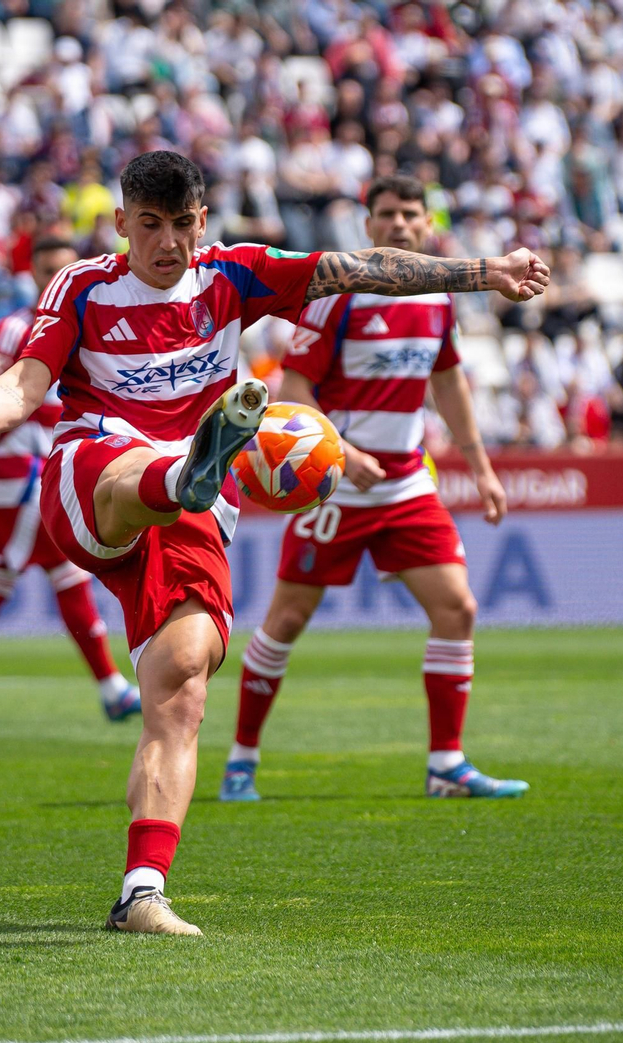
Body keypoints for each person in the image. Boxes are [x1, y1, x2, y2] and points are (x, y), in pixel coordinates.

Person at [0, 151, 548, 936]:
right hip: (95, 472)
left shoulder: (235, 275)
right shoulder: (82, 286)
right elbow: (27, 384)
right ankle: (187, 473)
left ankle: (142, 893)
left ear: (201, 221)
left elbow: (365, 267)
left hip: (198, 516)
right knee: (136, 473)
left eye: (181, 225)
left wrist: (487, 271)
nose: (167, 243)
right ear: (122, 225)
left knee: (182, 684)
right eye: (150, 226)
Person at [220, 175, 527, 804]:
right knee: (285, 621)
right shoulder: (341, 296)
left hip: (406, 483)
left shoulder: (438, 298)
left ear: (427, 225)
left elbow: (448, 384)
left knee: (458, 609)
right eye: (386, 215)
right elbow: (295, 388)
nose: (399, 226)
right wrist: (343, 451)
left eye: (410, 215)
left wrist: (481, 466)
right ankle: (241, 761)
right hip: (336, 487)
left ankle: (447, 765)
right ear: (368, 226)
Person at [0, 238, 140, 730]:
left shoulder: (86, 320)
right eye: (47, 268)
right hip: (20, 476)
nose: (55, 276)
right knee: (20, 577)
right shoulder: (17, 327)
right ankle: (111, 689)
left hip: (49, 470)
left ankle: (111, 688)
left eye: (64, 267)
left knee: (48, 577)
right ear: (33, 272)